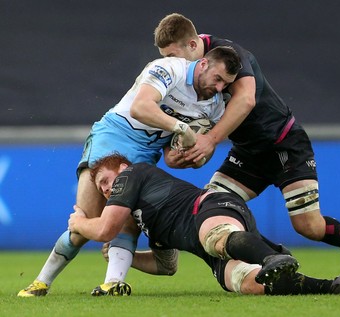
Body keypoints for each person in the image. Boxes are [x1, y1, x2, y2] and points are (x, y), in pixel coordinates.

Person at [153, 13, 340, 291]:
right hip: (247, 153)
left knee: (308, 226)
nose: (170, 63)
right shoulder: (186, 76)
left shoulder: (230, 55)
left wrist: (209, 141)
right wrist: (181, 154)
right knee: (214, 210)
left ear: (194, 45)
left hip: (284, 143)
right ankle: (273, 255)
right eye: (165, 57)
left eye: (173, 55)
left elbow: (245, 99)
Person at [17, 46, 242, 297]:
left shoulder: (213, 106)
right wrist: (182, 128)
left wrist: (190, 155)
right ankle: (41, 282)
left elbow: (170, 156)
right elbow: (140, 108)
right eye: (218, 79)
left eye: (226, 84)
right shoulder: (169, 68)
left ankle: (113, 283)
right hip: (114, 138)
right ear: (202, 65)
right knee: (86, 220)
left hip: (147, 154)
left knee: (127, 219)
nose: (220, 88)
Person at [68, 153, 340, 296]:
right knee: (247, 283)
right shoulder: (147, 222)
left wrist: (80, 223)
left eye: (106, 181)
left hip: (212, 207)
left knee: (214, 237)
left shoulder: (133, 174)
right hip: (214, 247)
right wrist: (128, 260)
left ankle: (271, 256)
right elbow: (167, 266)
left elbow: (105, 229)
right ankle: (332, 287)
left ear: (121, 169)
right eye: (101, 187)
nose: (106, 190)